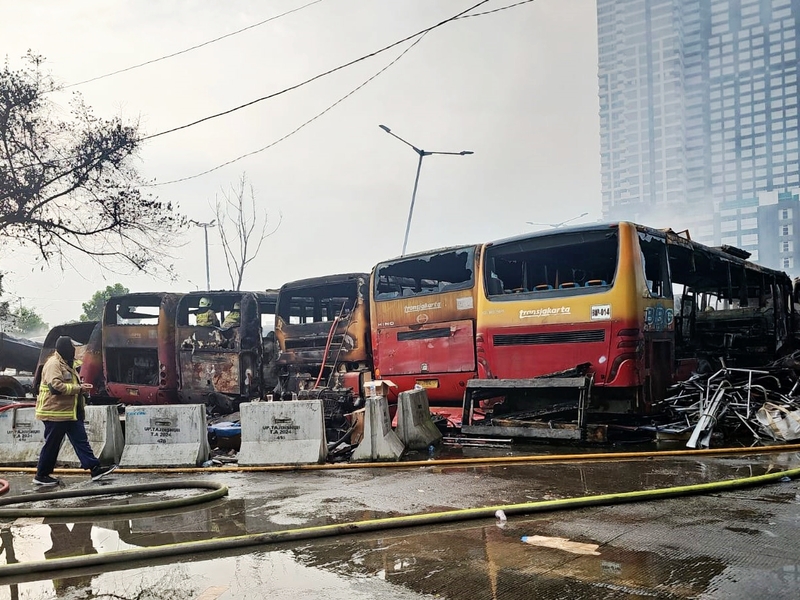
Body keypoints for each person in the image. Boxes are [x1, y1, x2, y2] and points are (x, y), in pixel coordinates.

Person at [33, 336, 117, 486]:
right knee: (52, 445)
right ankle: (41, 475)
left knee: (81, 442)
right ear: (64, 348)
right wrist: (79, 389)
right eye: (71, 347)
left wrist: (81, 389)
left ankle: (95, 469)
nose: (73, 350)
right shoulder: (53, 364)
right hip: (55, 414)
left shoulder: (68, 364)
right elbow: (55, 387)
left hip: (70, 413)